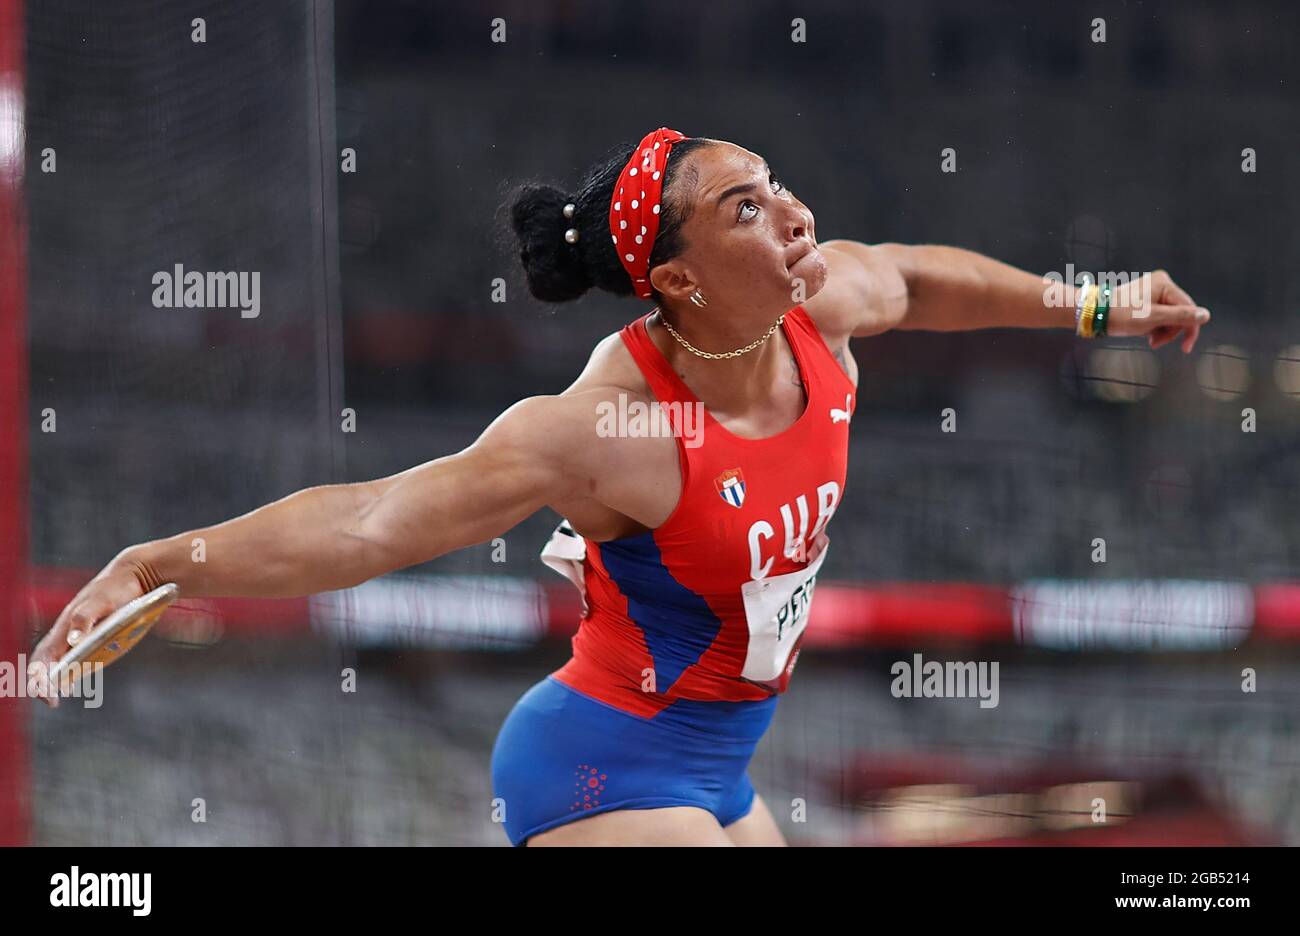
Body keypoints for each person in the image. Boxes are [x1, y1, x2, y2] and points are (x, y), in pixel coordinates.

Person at [28, 127, 1211, 846]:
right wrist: (158, 563)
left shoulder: (823, 307)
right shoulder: (606, 431)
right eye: (747, 208)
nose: (796, 216)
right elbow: (374, 521)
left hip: (719, 765)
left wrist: (1097, 301)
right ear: (681, 279)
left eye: (777, 184)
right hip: (598, 763)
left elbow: (922, 277)